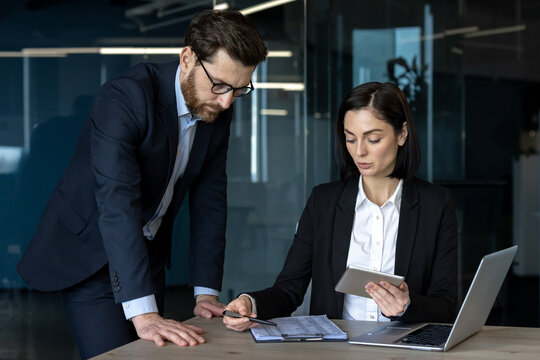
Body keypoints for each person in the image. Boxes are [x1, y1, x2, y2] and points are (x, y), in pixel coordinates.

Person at [16, 9, 267, 359]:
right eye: (220, 85)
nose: (226, 102)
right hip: (93, 253)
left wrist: (205, 293)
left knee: (152, 353)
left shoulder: (216, 107)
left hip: (145, 256)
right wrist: (146, 313)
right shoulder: (124, 98)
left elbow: (210, 202)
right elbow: (117, 204)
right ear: (187, 59)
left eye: (239, 90)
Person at [223, 82, 458, 332]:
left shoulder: (436, 205)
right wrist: (249, 302)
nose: (360, 152)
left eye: (373, 139)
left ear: (402, 134)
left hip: (403, 348)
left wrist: (406, 306)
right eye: (350, 139)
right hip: (335, 349)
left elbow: (446, 304)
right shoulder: (323, 202)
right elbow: (288, 290)